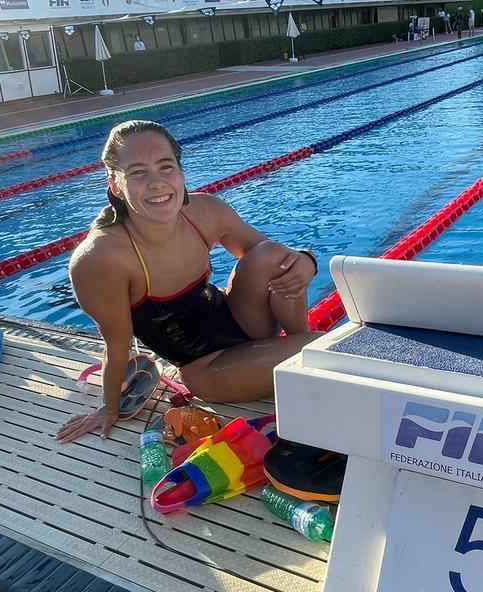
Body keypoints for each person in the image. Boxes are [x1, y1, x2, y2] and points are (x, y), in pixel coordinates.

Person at [57, 121, 323, 443]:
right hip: (207, 367)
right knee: (321, 348)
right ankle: (305, 354)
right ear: (115, 185)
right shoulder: (101, 259)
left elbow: (280, 261)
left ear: (181, 173)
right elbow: (117, 345)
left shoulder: (204, 211)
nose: (157, 183)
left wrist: (307, 261)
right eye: (138, 172)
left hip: (240, 320)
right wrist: (109, 409)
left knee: (273, 256)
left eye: (165, 167)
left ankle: (302, 353)